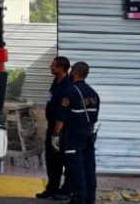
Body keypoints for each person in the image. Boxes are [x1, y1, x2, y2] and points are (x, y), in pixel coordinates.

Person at [53, 61, 101, 204]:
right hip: (88, 135)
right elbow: (94, 118)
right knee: (89, 168)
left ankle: (79, 199)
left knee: (76, 169)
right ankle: (90, 199)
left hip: (73, 135)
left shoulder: (70, 91)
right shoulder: (94, 93)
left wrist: (55, 135)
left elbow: (61, 117)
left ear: (74, 72)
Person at [37, 56, 72, 201]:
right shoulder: (56, 82)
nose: (50, 67)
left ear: (61, 68)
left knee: (64, 160)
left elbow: (63, 113)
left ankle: (67, 190)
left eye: (53, 66)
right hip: (52, 126)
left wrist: (56, 134)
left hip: (62, 130)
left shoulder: (67, 85)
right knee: (51, 160)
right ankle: (52, 188)